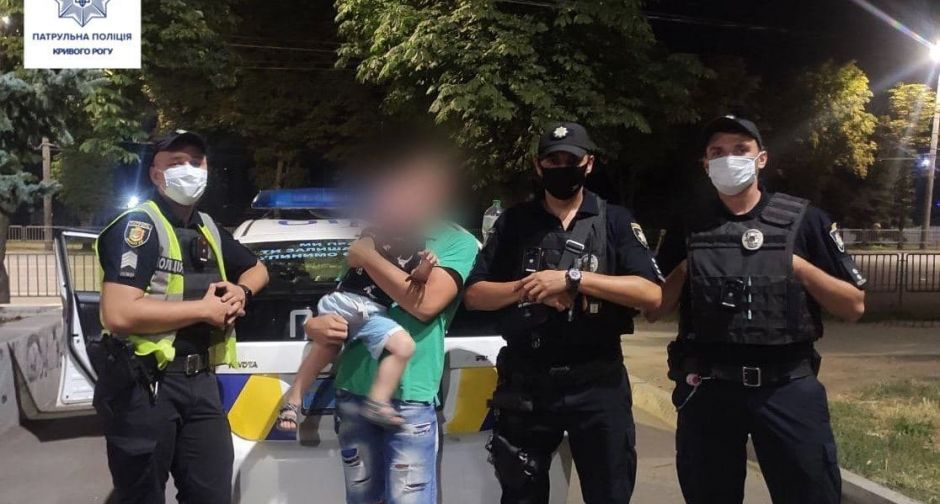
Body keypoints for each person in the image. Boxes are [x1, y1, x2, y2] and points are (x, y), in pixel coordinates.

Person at [646, 115, 867, 504]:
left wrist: (794, 265)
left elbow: (853, 306)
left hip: (787, 388)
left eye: (740, 149)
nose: (728, 158)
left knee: (810, 494)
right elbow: (655, 310)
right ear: (705, 164)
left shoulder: (805, 220)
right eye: (717, 152)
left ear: (761, 159)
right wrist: (687, 267)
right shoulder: (689, 225)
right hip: (710, 388)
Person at [463, 121, 663, 504]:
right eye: (552, 161)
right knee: (521, 496)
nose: (561, 168)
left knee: (609, 494)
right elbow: (475, 295)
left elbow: (651, 294)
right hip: (528, 384)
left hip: (597, 385)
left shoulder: (615, 220)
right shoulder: (515, 223)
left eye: (570, 161)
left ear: (589, 164)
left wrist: (573, 279)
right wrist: (533, 287)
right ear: (538, 166)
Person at [91, 130, 269, 504]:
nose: (188, 169)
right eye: (176, 162)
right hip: (146, 385)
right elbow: (118, 313)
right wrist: (203, 310)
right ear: (156, 175)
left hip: (201, 382)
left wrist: (242, 291)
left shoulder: (206, 226)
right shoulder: (138, 227)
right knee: (142, 497)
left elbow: (258, 269)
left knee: (212, 494)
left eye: (196, 162)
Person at [304, 149, 478, 504]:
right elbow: (346, 301)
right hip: (353, 389)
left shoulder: (454, 241)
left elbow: (425, 305)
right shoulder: (373, 234)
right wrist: (314, 325)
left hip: (409, 397)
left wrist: (368, 256)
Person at [276, 230, 438, 431]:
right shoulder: (375, 232)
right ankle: (292, 403)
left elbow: (415, 280)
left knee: (404, 346)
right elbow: (356, 255)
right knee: (328, 345)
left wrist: (426, 266)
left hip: (375, 313)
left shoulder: (419, 243)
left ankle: (377, 402)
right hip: (344, 301)